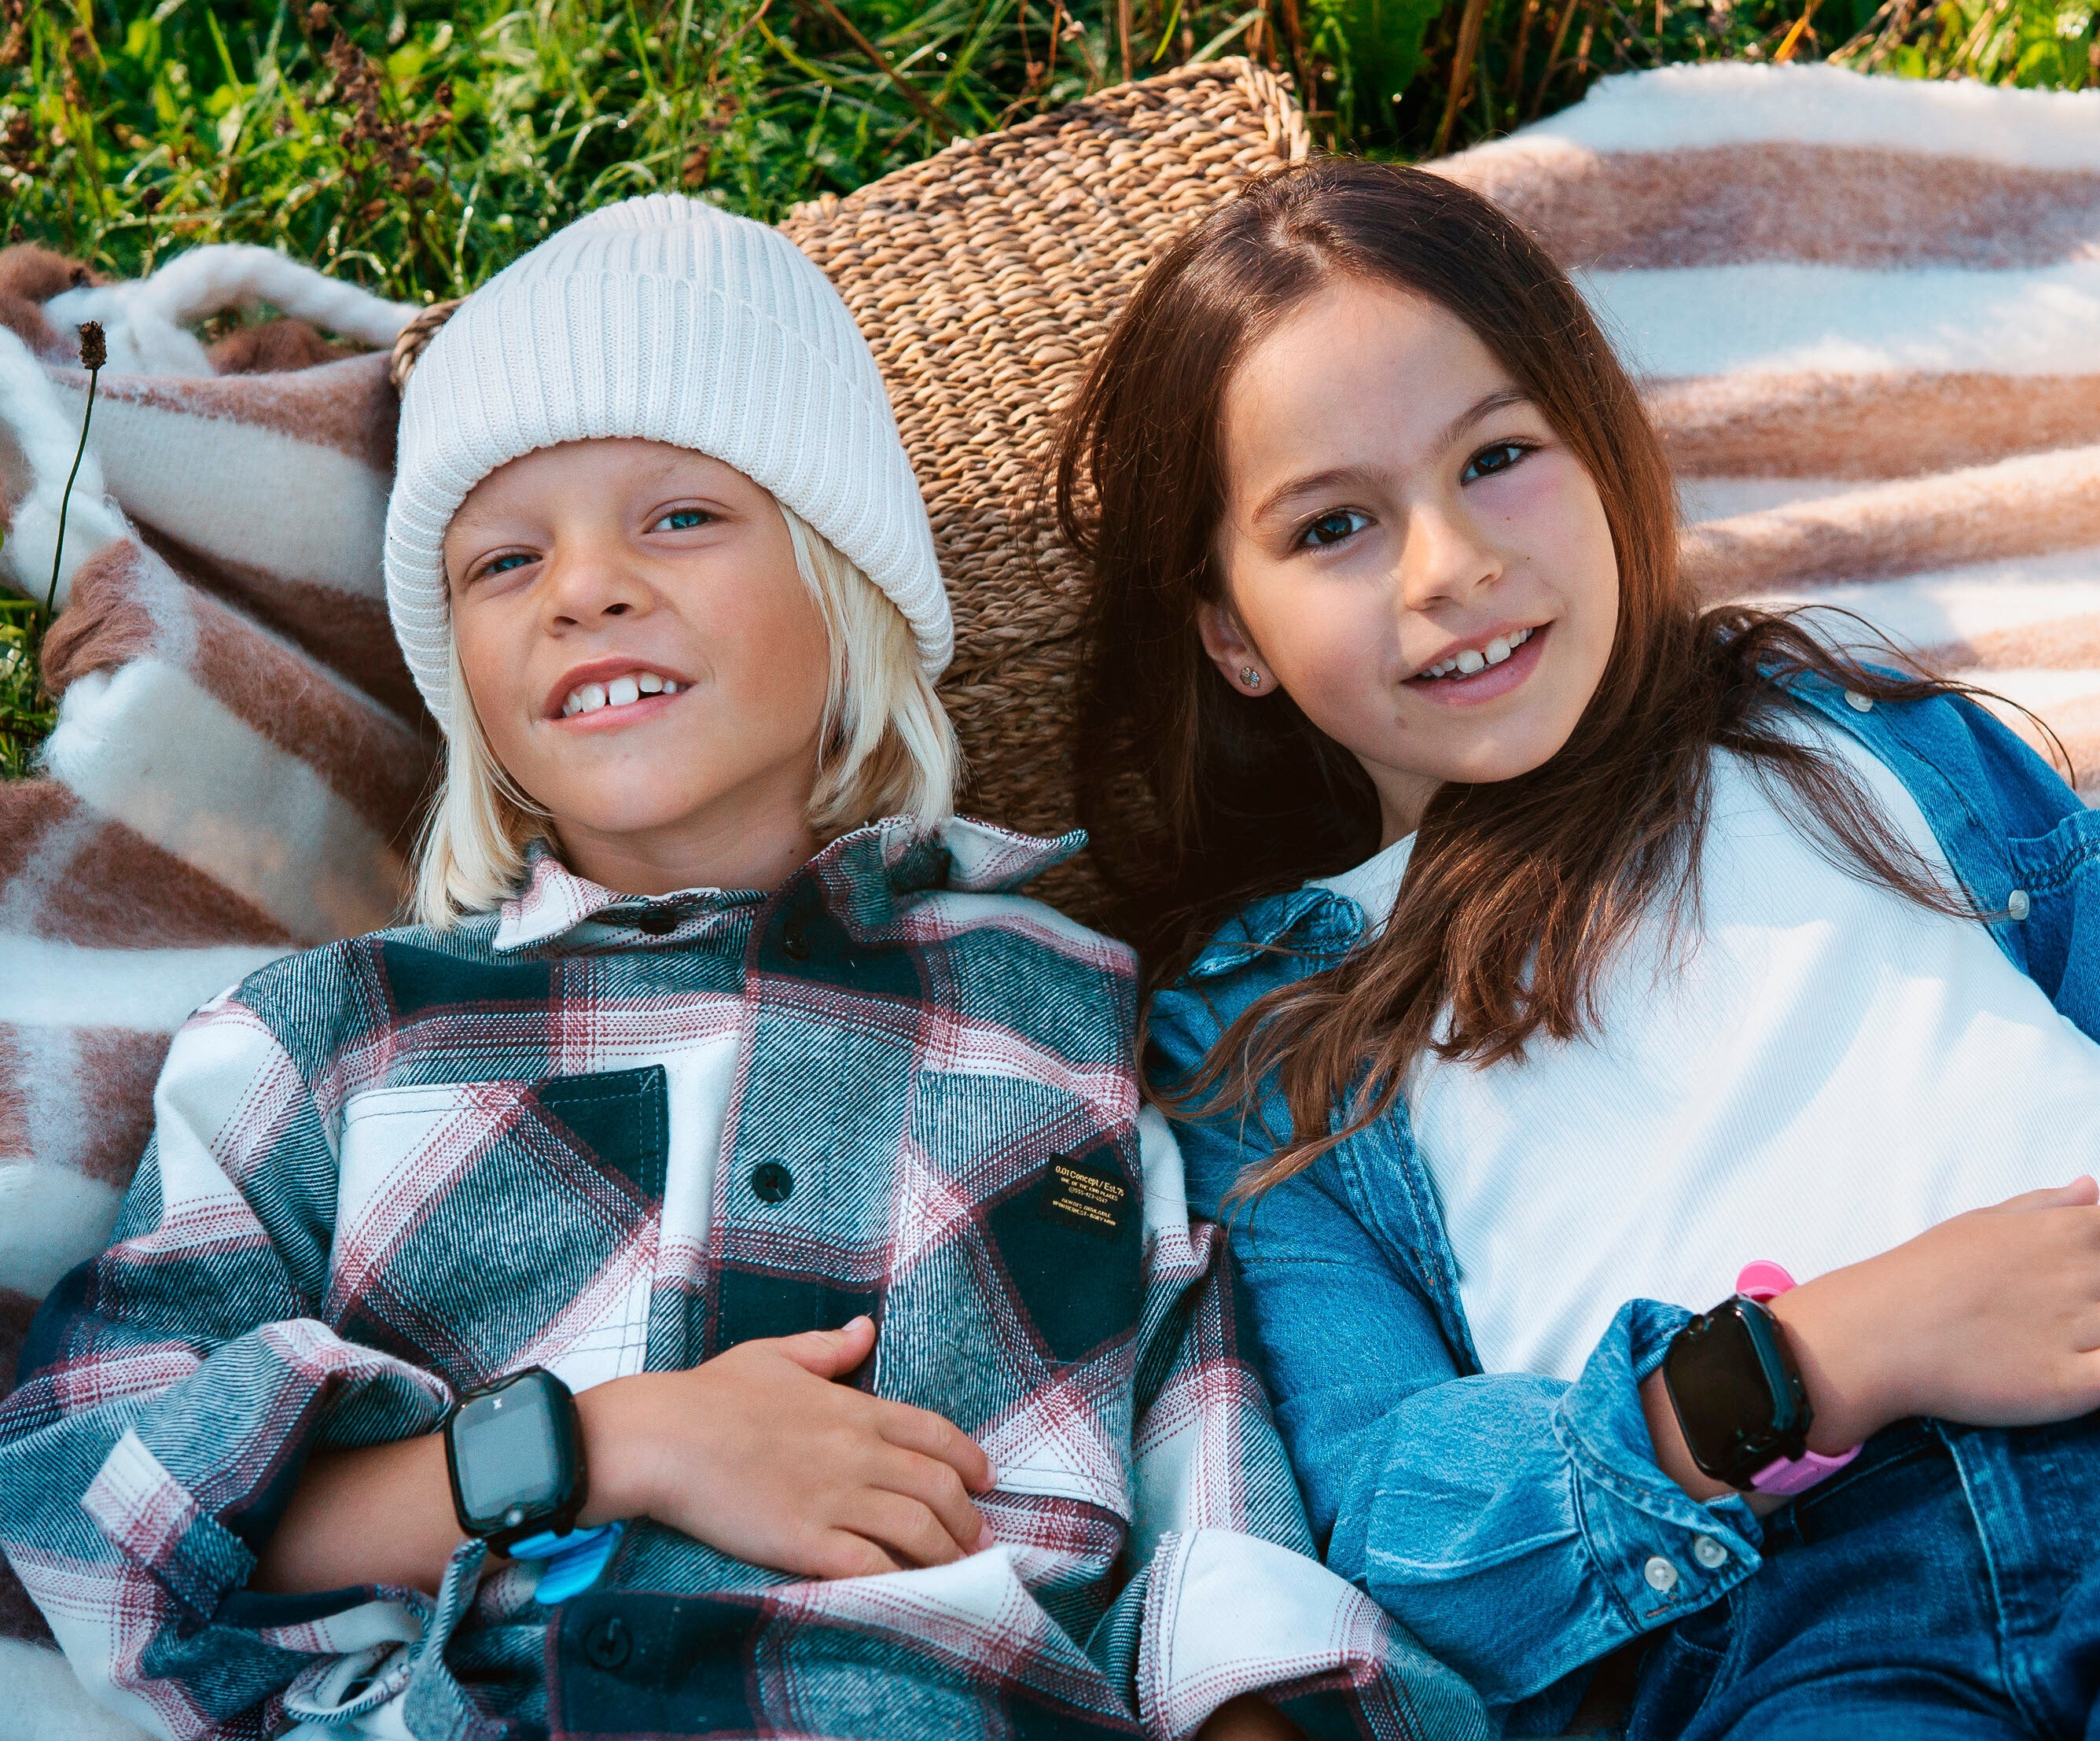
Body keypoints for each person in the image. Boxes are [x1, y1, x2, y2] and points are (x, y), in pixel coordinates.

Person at [0, 197, 1484, 1741]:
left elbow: (1212, 1489)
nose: (585, 588)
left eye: (680, 518)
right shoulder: (331, 1038)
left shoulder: (1071, 1009)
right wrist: (597, 1449)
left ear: (846, 588)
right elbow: (89, 1495)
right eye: (504, 560)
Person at [1051, 159, 2100, 1739]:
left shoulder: (1863, 757)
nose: (1447, 563)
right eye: (1334, 525)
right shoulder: (1266, 1029)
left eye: (1500, 458)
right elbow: (1400, 1519)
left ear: (1603, 453)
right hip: (1785, 1620)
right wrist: (1808, 1360)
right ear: (1233, 633)